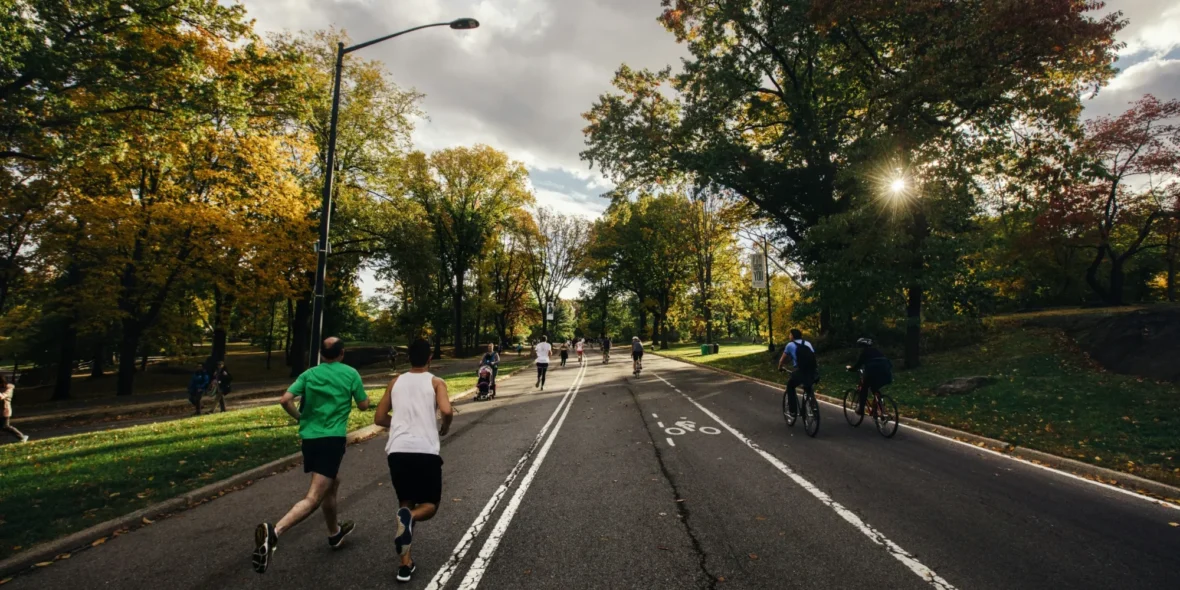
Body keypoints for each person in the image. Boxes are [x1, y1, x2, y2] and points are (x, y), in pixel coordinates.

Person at [252, 337, 370, 574]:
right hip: (331, 440)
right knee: (314, 496)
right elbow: (364, 406)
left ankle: (334, 534)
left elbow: (285, 399)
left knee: (332, 484)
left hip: (310, 439)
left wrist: (300, 418)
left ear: (321, 354)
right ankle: (275, 533)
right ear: (342, 353)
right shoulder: (350, 373)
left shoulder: (309, 374)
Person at [375, 338, 454, 583]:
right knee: (429, 505)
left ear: (408, 358)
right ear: (430, 358)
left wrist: (399, 425)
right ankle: (412, 520)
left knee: (405, 504)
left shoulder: (395, 381)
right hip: (425, 450)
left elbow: (379, 417)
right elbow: (447, 411)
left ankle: (404, 564)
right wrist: (444, 427)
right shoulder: (436, 382)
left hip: (397, 451)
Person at [776, 328, 818, 417]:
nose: (789, 336)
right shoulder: (807, 343)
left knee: (790, 386)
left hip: (800, 371)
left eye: (790, 334)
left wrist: (780, 368)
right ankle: (813, 404)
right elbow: (812, 357)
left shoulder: (790, 345)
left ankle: (793, 411)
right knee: (808, 386)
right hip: (812, 371)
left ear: (793, 336)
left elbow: (782, 360)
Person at [848, 338, 893, 415]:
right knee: (875, 388)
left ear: (862, 346)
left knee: (864, 388)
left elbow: (857, 366)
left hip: (873, 372)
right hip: (886, 374)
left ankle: (861, 410)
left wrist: (850, 368)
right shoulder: (877, 351)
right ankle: (877, 408)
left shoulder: (864, 353)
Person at [0, 374, 28, 443]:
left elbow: (2, 397)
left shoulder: (8, 388)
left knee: (5, 426)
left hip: (4, 411)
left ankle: (22, 437)